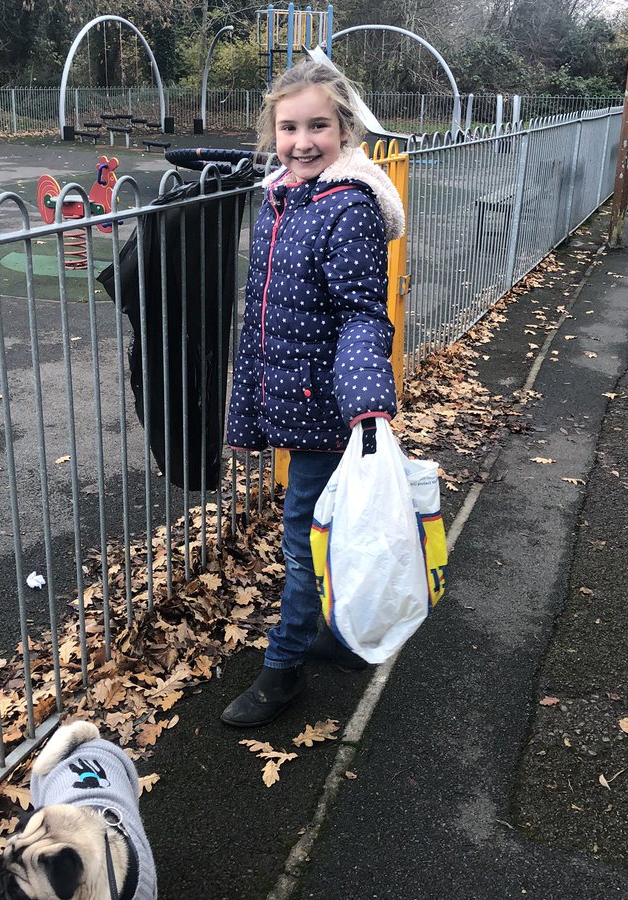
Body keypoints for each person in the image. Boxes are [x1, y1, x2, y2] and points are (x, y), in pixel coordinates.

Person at [221, 61, 405, 728]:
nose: (302, 141)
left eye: (318, 126)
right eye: (289, 126)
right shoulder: (281, 197)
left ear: (346, 131)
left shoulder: (346, 208)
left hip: (327, 404)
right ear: (272, 131)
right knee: (328, 527)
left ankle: (284, 670)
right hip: (290, 395)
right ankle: (345, 636)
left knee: (302, 539)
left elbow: (362, 313)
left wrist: (363, 396)